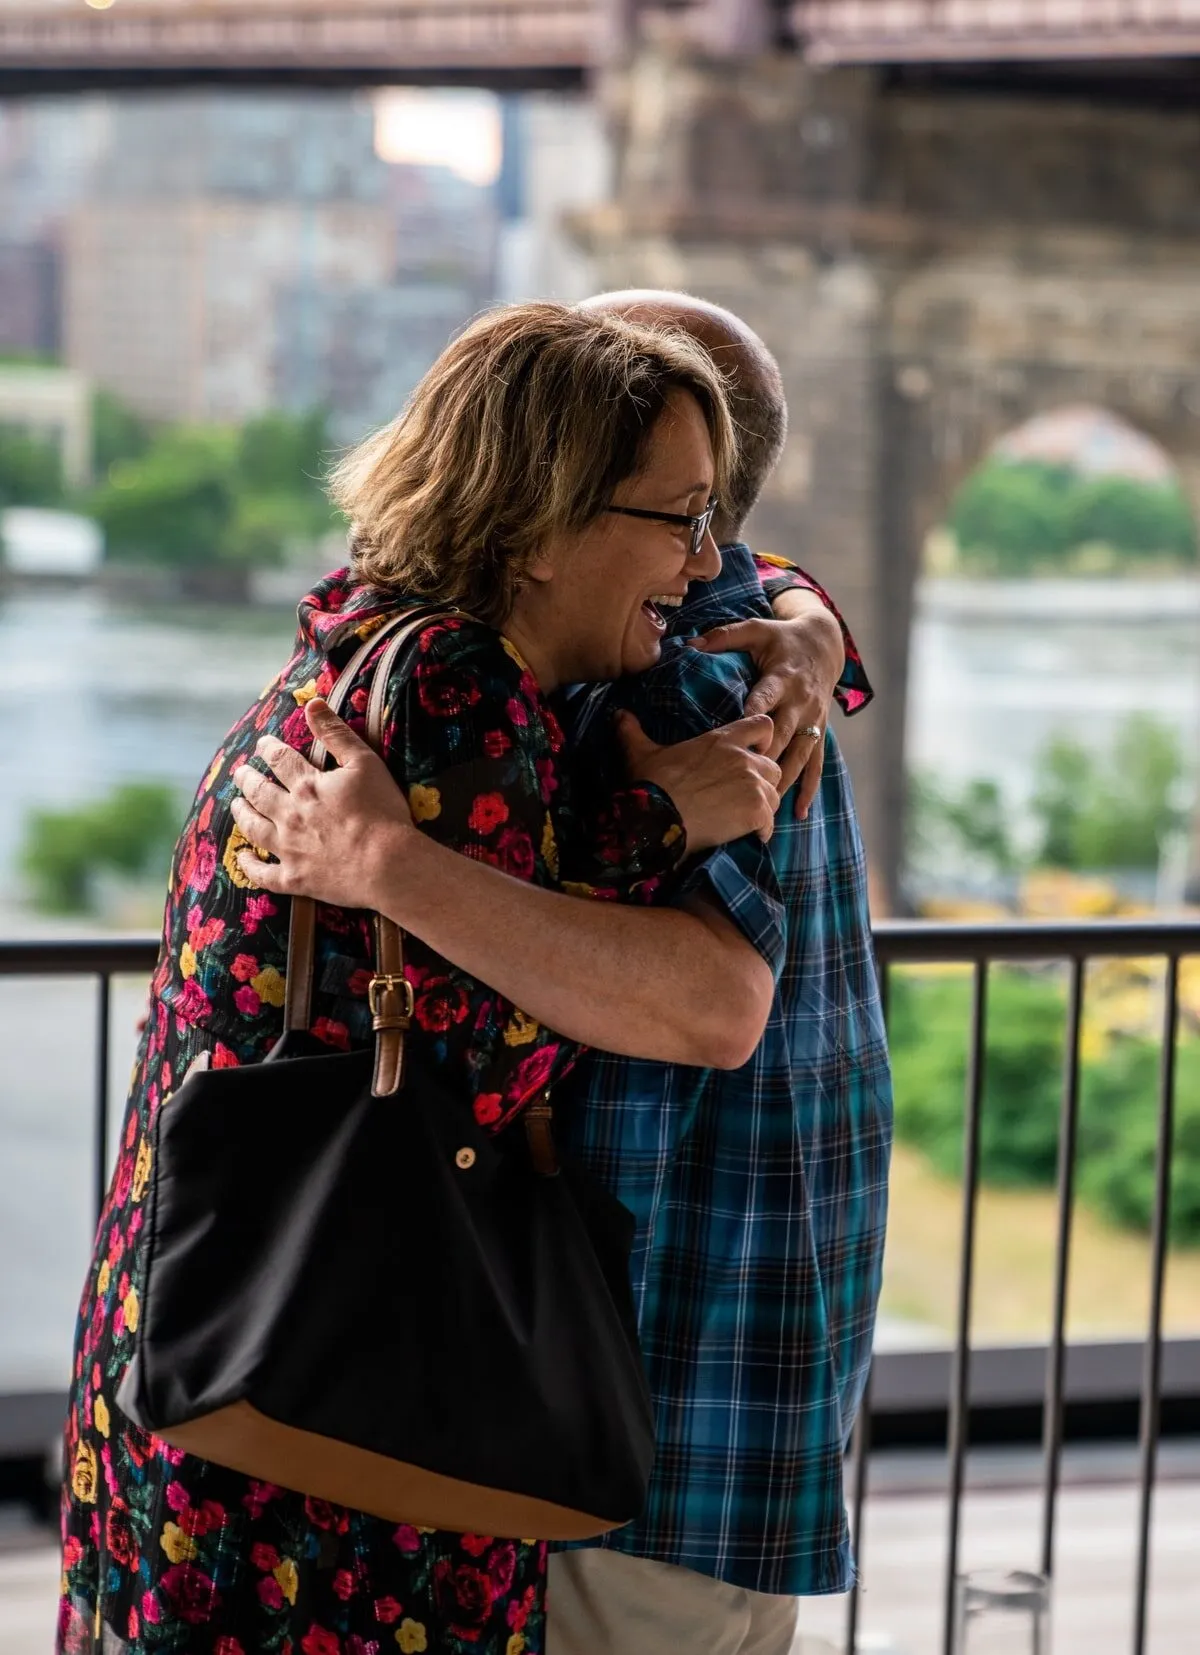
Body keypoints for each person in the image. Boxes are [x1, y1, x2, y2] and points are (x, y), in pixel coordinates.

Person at [58, 301, 800, 1655]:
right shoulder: (457, 689)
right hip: (332, 1413)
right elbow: (497, 1037)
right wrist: (664, 823)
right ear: (536, 522)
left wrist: (800, 624)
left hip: (226, 1343)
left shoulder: (367, 636)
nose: (708, 565)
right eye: (680, 520)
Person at [234, 294, 893, 1655]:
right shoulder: (754, 649)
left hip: (621, 1401)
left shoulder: (659, 683)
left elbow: (714, 1004)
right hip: (739, 1391)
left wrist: (387, 867)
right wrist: (802, 612)